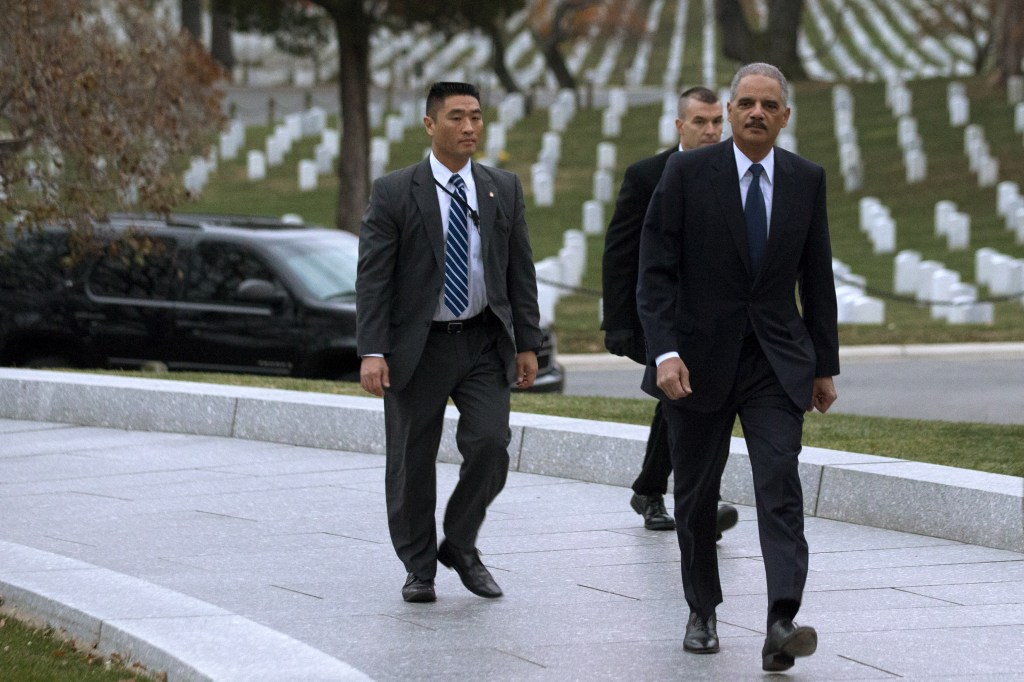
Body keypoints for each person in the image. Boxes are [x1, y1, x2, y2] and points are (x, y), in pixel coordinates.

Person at [636, 63, 839, 671]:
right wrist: (665, 351)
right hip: (696, 361)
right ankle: (702, 607)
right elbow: (655, 270)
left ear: (784, 116)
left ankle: (781, 620)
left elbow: (816, 275)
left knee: (780, 481)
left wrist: (824, 365)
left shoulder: (806, 178)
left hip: (776, 361)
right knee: (696, 492)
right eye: (745, 102)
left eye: (767, 105)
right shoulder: (688, 172)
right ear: (728, 111)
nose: (755, 113)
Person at [357, 81, 544, 604]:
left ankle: (459, 542)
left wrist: (527, 342)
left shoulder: (501, 187)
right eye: (457, 117)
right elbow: (374, 277)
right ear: (430, 124)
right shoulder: (395, 191)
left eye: (477, 117)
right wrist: (372, 350)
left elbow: (519, 270)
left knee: (490, 444)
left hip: (484, 341)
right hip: (418, 345)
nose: (469, 127)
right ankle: (420, 568)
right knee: (412, 461)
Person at [602, 86, 739, 536]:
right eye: (700, 122)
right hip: (663, 315)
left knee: (681, 400)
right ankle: (699, 502)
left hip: (717, 317)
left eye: (717, 121)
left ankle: (652, 488)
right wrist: (619, 323)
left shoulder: (739, 172)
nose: (711, 130)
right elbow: (620, 253)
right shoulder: (647, 175)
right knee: (684, 399)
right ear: (680, 125)